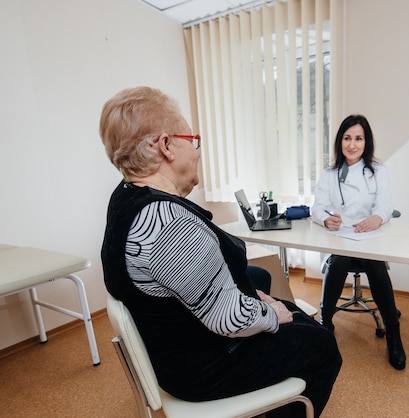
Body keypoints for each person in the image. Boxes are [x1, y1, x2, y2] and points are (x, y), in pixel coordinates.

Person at [99, 86, 342, 418]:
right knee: (322, 345)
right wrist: (273, 314)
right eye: (192, 140)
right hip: (202, 368)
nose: (197, 151)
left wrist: (251, 295)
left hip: (172, 342)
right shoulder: (169, 225)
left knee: (259, 278)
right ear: (166, 145)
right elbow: (230, 319)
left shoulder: (125, 197)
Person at [311, 114, 406, 370]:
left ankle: (393, 333)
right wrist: (326, 218)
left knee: (374, 265)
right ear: (340, 141)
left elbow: (385, 205)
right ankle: (326, 325)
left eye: (358, 138)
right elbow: (317, 207)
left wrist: (376, 218)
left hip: (368, 239)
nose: (352, 145)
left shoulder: (379, 171)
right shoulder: (329, 174)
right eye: (347, 138)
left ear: (367, 142)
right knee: (338, 261)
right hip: (340, 238)